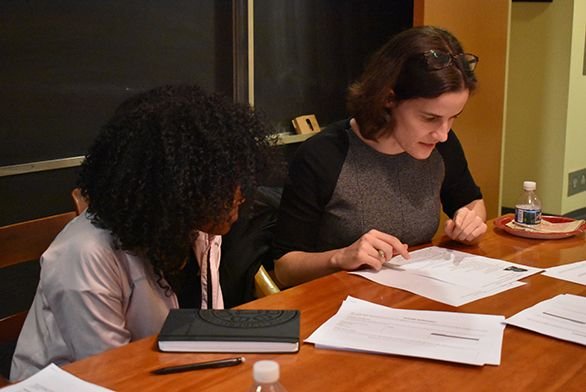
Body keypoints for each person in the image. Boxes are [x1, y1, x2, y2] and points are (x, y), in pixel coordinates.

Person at [10, 84, 273, 381]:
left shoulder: (197, 230)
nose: (238, 195)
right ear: (171, 190)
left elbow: (205, 328)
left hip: (165, 374)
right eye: (219, 183)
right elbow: (110, 373)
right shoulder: (85, 255)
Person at [272, 26, 487, 288]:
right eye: (430, 118)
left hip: (413, 296)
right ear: (388, 98)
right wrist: (340, 257)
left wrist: (470, 222)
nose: (443, 134)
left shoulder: (442, 145)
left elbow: (471, 202)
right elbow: (284, 269)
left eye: (453, 118)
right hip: (336, 304)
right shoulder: (323, 156)